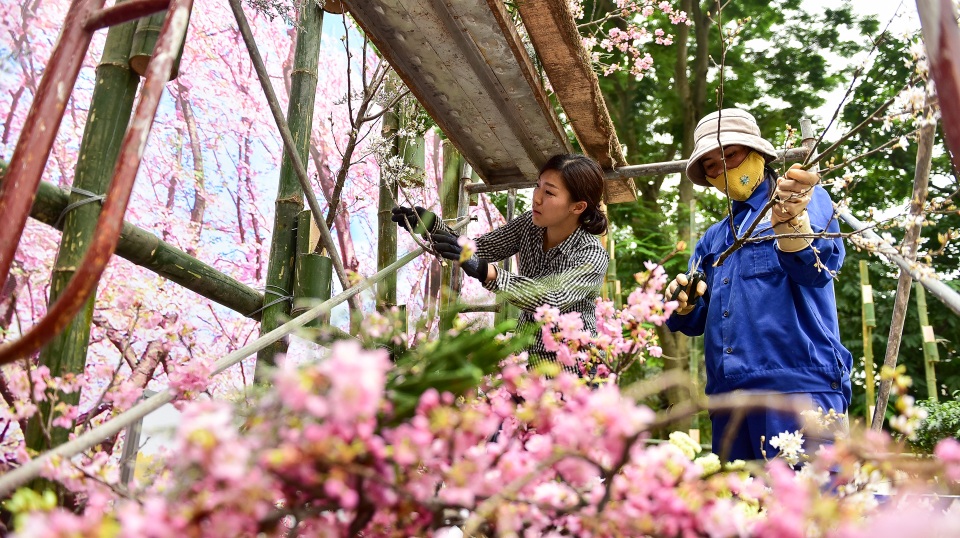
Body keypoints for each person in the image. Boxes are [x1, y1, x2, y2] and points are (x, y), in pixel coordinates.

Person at [665, 108, 852, 462]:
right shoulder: (714, 238)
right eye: (710, 165)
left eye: (730, 155)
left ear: (758, 154)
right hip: (728, 401)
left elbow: (818, 266)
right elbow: (696, 319)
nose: (721, 169)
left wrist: (791, 226)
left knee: (807, 496)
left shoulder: (803, 198)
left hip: (797, 390)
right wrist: (682, 303)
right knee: (739, 497)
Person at [392, 153, 609, 372]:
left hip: (574, 370)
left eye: (549, 192)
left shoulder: (591, 255)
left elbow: (550, 298)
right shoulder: (530, 224)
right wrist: (432, 226)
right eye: (538, 186)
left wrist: (488, 272)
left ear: (578, 207)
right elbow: (481, 249)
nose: (537, 198)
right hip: (528, 363)